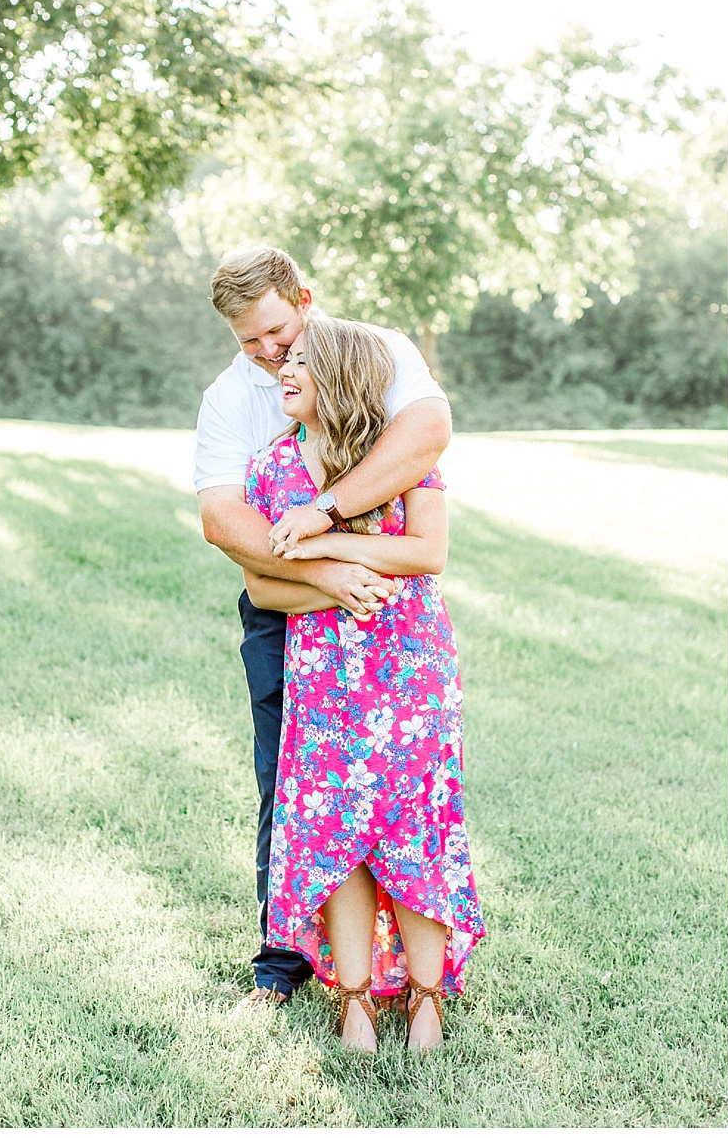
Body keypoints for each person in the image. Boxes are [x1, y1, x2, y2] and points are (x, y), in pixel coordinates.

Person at [192, 246, 451, 1009]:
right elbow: (222, 517)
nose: (270, 355)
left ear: (303, 297)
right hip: (292, 603)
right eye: (250, 342)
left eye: (276, 332)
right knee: (288, 780)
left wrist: (328, 516)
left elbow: (427, 435)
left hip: (386, 612)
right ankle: (282, 963)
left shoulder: (375, 352)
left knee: (399, 791)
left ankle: (406, 975)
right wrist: (324, 576)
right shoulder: (231, 398)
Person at [240, 315, 484, 1050]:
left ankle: (427, 998)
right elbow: (265, 586)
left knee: (416, 827)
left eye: (303, 363)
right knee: (337, 836)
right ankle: (353, 1001)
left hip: (411, 671)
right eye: (284, 361)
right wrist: (337, 585)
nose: (282, 369)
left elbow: (428, 553)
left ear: (341, 377)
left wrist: (325, 534)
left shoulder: (399, 461)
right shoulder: (270, 469)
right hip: (324, 681)